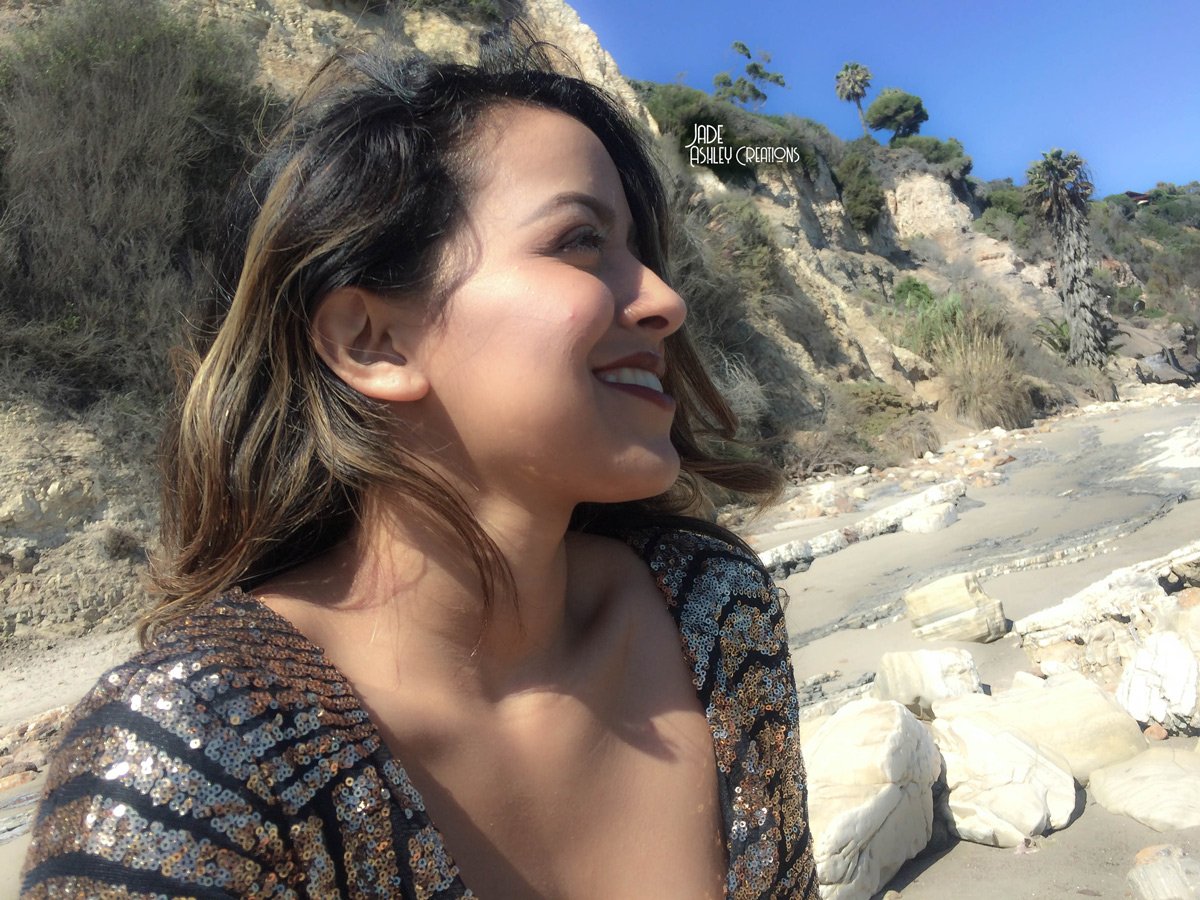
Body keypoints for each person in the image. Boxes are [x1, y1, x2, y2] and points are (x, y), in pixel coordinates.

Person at [21, 34, 816, 900]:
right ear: (374, 341)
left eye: (641, 253)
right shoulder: (201, 752)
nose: (665, 300)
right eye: (581, 240)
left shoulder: (710, 609)